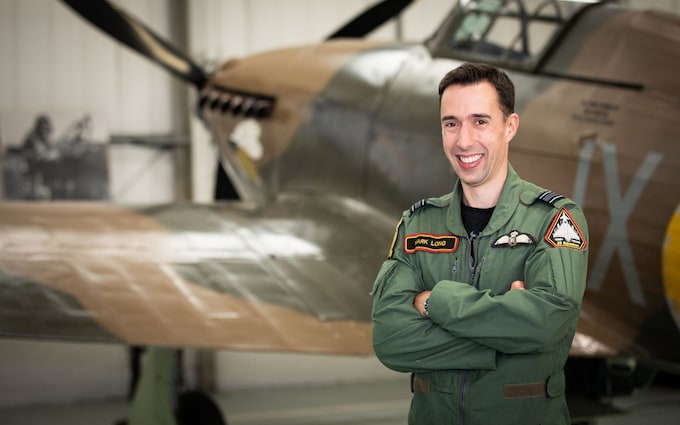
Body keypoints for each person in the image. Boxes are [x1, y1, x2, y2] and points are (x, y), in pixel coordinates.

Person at [370, 62, 589, 425]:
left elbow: (545, 325)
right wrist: (506, 336)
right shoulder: (418, 224)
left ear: (510, 126)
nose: (464, 140)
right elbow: (390, 339)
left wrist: (434, 302)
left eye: (480, 121)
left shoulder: (554, 219)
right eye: (451, 124)